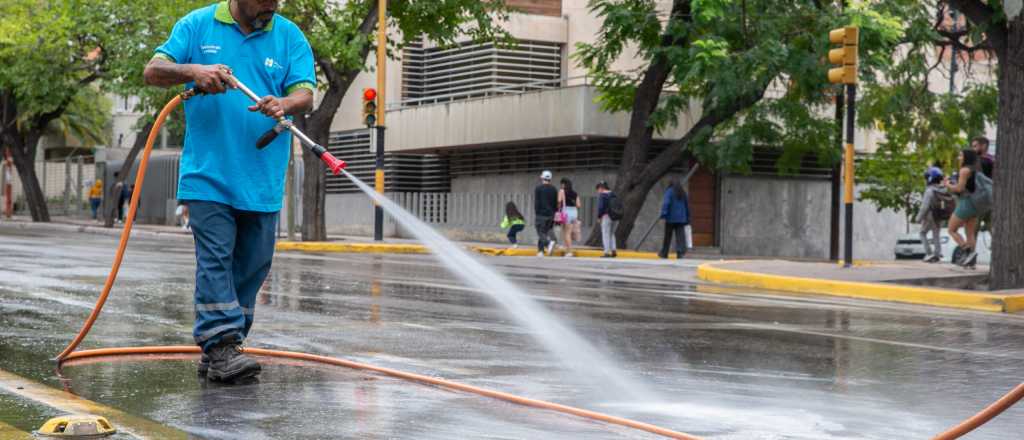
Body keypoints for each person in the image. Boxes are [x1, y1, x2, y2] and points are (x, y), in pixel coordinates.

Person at [144, 0, 316, 382]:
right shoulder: (197, 25)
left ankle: (223, 347)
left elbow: (306, 92)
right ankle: (221, 344)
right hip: (208, 175)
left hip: (262, 177)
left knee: (253, 265)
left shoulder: (289, 35)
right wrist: (193, 70)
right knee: (216, 258)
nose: (270, 6)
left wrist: (284, 102)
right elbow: (153, 71)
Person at [945, 149, 980, 268]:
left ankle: (968, 251)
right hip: (975, 204)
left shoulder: (964, 170)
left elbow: (959, 189)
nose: (959, 157)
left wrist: (948, 185)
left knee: (951, 229)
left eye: (961, 155)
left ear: (966, 157)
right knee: (970, 233)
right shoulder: (975, 170)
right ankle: (971, 263)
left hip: (965, 203)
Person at [916, 168, 947, 263]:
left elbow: (924, 207)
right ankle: (937, 254)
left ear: (930, 179)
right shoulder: (944, 189)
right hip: (941, 216)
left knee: (922, 233)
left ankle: (929, 254)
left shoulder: (929, 191)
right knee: (936, 235)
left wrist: (918, 218)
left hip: (930, 216)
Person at [658, 179, 691, 259]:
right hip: (681, 219)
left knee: (668, 236)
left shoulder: (669, 191)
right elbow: (687, 206)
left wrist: (663, 213)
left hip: (670, 218)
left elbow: (666, 202)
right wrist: (688, 217)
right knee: (680, 236)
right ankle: (680, 253)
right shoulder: (683, 192)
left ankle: (664, 253)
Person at [534, 170, 558, 256]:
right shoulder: (554, 189)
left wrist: (536, 212)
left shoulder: (538, 188)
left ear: (542, 177)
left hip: (541, 214)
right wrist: (554, 213)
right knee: (544, 232)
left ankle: (548, 244)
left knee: (540, 232)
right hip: (551, 215)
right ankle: (540, 251)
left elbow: (537, 202)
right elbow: (555, 203)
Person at [557, 178, 582, 257]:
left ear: (563, 184)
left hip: (566, 212)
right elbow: (578, 205)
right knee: (569, 232)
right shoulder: (575, 193)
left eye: (561, 184)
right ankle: (567, 248)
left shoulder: (561, 191)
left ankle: (569, 251)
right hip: (574, 212)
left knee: (566, 233)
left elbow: (559, 201)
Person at [596, 181, 617, 258]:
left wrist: (599, 217)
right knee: (611, 233)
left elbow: (601, 207)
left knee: (605, 234)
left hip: (606, 216)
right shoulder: (613, 194)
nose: (598, 192)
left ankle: (607, 252)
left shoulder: (603, 195)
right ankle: (613, 250)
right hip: (615, 216)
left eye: (598, 189)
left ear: (601, 188)